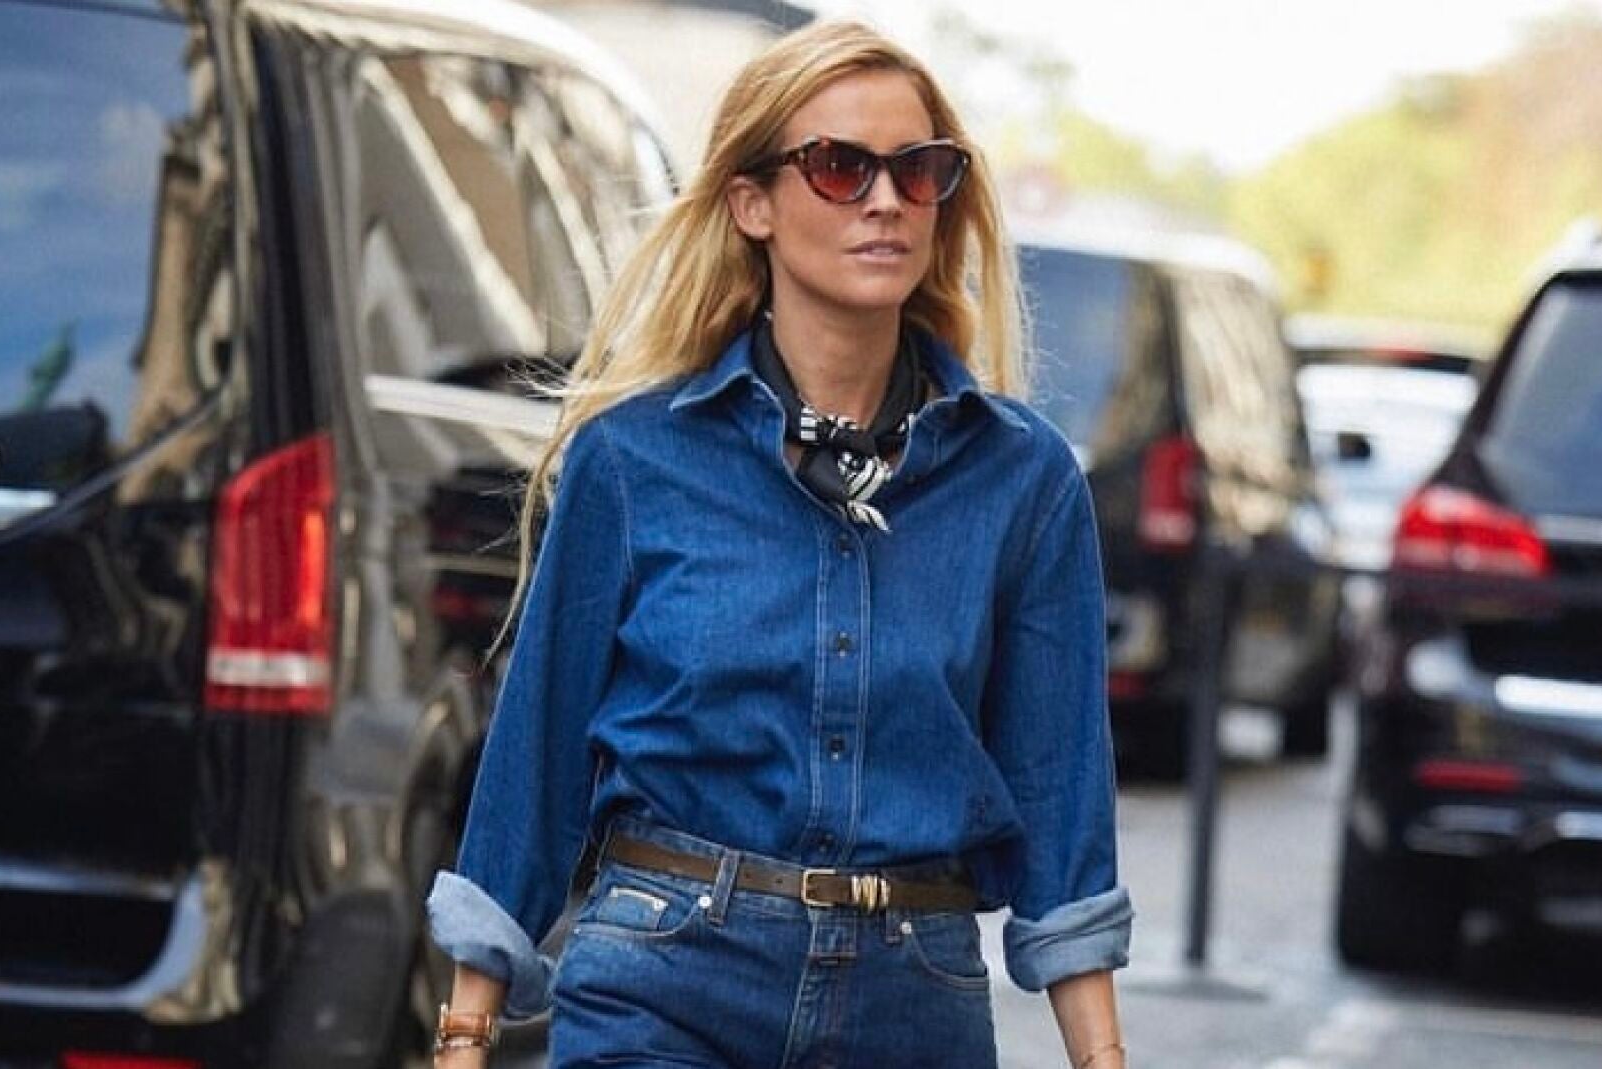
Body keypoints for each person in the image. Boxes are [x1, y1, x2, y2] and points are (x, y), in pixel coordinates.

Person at [426, 19, 1132, 1069]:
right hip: (664, 983)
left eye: (918, 170)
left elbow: (1059, 792)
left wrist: (1103, 1056)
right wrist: (464, 1036)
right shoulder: (635, 458)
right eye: (840, 166)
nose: (885, 200)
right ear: (751, 202)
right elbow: (535, 757)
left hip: (912, 1002)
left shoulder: (1020, 479)